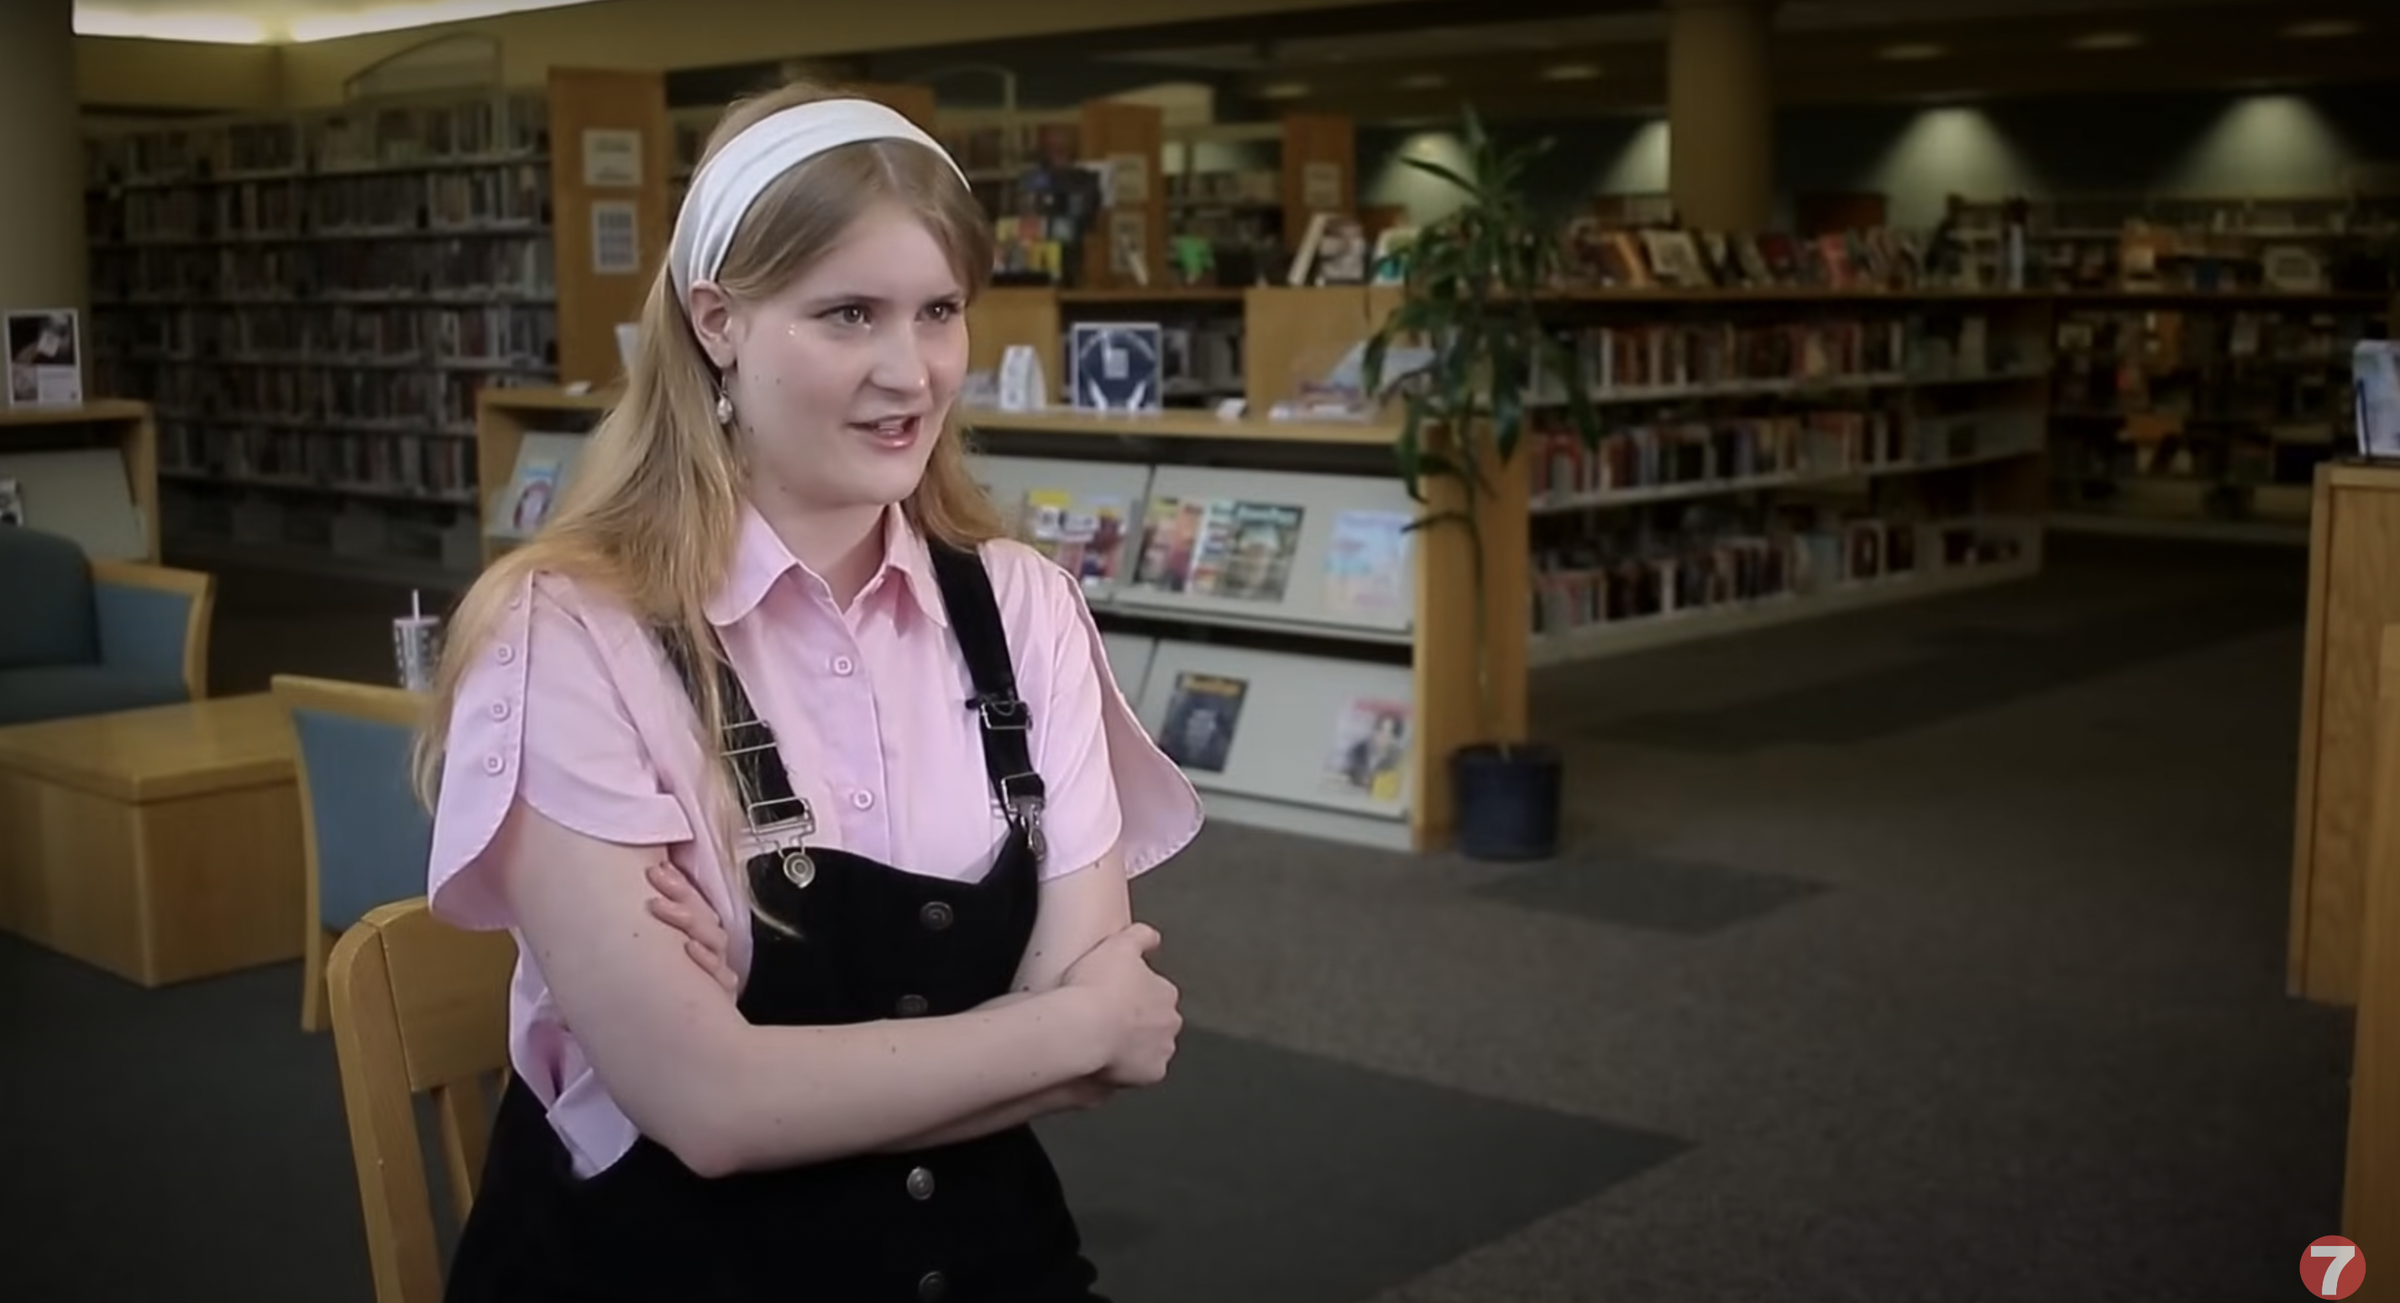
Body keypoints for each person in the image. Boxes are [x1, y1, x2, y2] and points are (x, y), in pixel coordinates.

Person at [410, 81, 1205, 1302]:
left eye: (940, 310)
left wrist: (777, 1077)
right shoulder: (571, 633)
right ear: (717, 321)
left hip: (994, 1261)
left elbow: (1110, 1044)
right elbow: (712, 1112)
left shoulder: (1025, 607)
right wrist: (1065, 1030)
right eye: (848, 314)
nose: (914, 373)